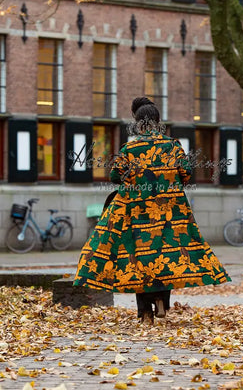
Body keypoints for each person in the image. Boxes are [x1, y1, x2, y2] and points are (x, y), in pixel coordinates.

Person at [73, 97, 231, 323]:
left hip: (137, 212)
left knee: (138, 258)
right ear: (157, 121)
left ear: (137, 123)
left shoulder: (130, 148)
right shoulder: (173, 146)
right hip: (169, 212)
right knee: (167, 255)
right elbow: (186, 174)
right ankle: (161, 303)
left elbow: (115, 176)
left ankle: (145, 313)